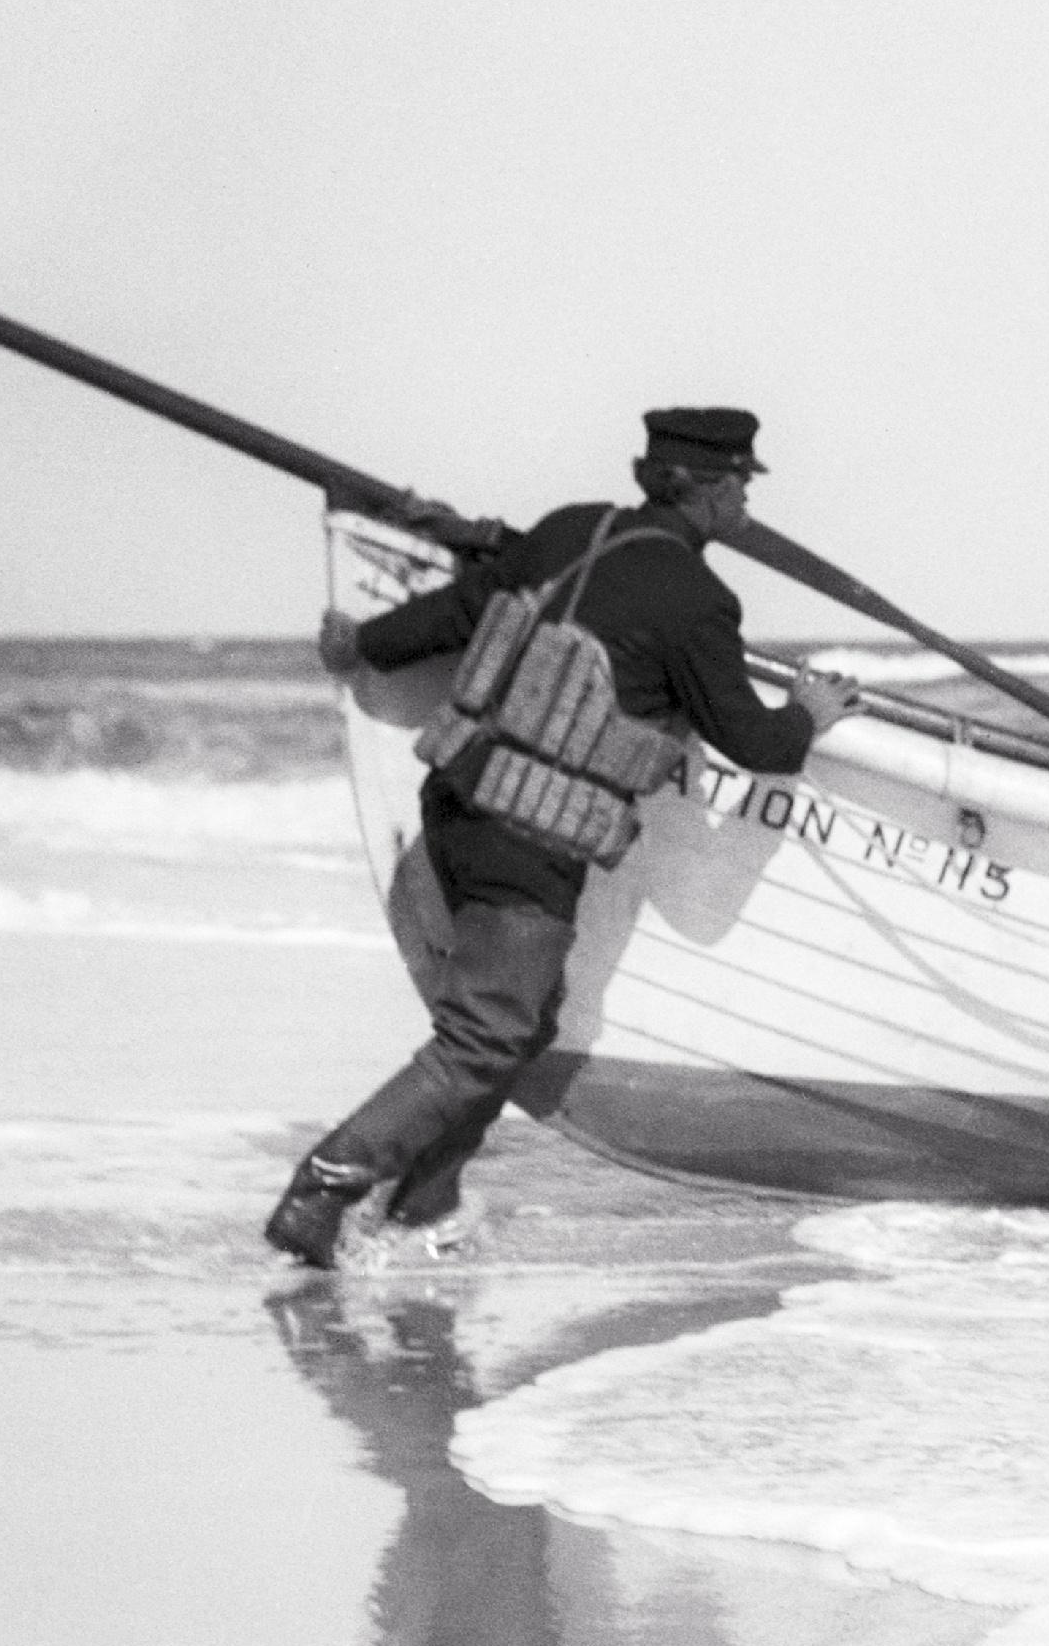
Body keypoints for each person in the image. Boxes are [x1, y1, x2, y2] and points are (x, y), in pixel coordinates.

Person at [265, 407, 859, 1265]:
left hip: (456, 807)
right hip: (530, 842)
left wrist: (364, 642)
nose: (744, 501)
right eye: (739, 484)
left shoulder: (570, 533)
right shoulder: (697, 600)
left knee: (527, 1022)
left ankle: (423, 1204)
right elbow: (755, 743)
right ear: (707, 489)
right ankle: (324, 1184)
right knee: (484, 1039)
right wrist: (809, 711)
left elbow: (458, 610)